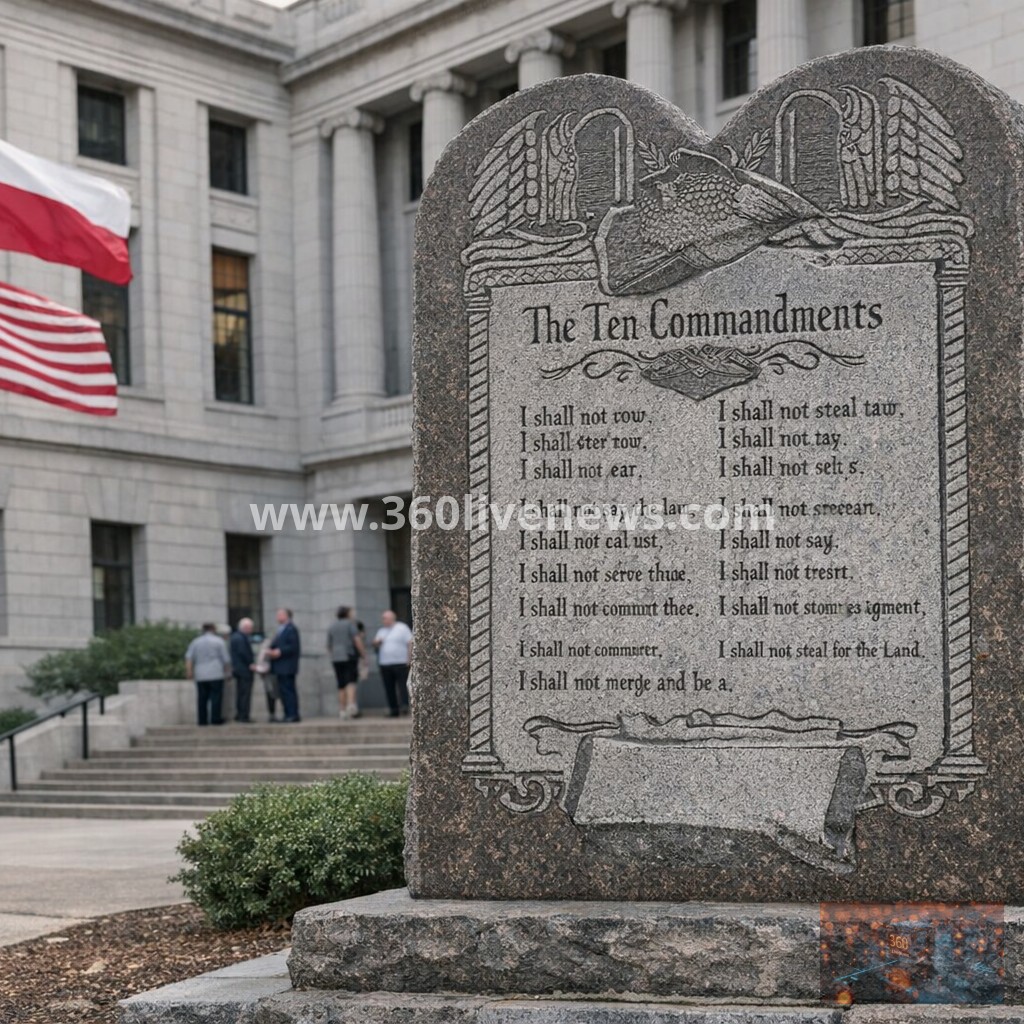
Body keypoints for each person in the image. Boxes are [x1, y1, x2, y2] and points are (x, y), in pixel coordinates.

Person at [185, 622, 230, 726]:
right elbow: (226, 659)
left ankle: (202, 720)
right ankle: (215, 718)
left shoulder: (195, 642)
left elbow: (189, 658)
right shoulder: (219, 641)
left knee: (202, 698)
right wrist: (228, 673)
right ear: (213, 630)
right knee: (216, 697)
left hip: (200, 674)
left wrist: (189, 671)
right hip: (216, 673)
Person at [373, 610, 412, 717]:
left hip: (400, 662)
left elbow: (410, 643)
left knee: (402, 685)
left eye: (385, 618)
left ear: (392, 618)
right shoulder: (381, 631)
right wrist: (376, 642)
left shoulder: (402, 628)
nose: (383, 620)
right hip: (385, 663)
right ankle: (393, 709)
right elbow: (375, 643)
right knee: (389, 687)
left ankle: (404, 706)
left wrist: (409, 659)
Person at [327, 606, 363, 719]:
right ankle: (351, 705)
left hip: (336, 658)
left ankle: (342, 710)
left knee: (341, 684)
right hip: (349, 656)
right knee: (351, 681)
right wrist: (363, 654)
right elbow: (357, 640)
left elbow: (329, 645)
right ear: (347, 614)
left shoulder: (332, 626)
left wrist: (334, 655)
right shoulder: (350, 625)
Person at [267, 607, 301, 723]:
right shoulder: (280, 629)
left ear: (287, 616)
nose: (277, 617)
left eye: (280, 614)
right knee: (283, 692)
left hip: (287, 667)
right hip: (279, 667)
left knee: (288, 691)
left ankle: (292, 714)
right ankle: (287, 714)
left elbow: (293, 647)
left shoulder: (291, 629)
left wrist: (279, 651)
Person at [229, 617, 256, 723]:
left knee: (241, 693)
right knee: (245, 694)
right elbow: (243, 653)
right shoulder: (241, 638)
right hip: (244, 670)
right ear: (245, 627)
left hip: (239, 669)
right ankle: (243, 715)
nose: (251, 630)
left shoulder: (236, 637)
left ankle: (240, 714)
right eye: (250, 628)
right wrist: (251, 663)